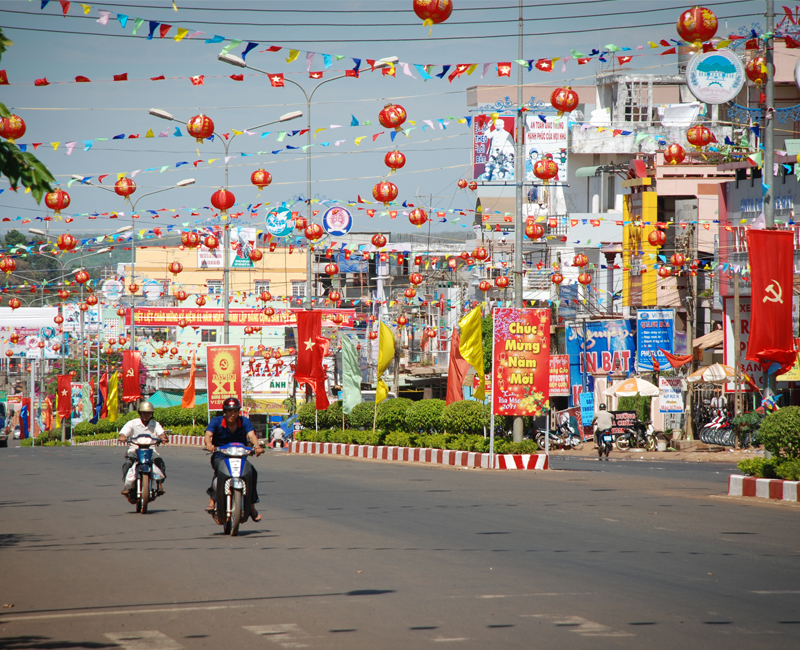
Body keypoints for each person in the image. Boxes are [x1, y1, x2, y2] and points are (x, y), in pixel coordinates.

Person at [204, 397, 264, 522]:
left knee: (252, 472)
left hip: (240, 457)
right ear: (224, 411)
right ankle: (212, 500)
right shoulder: (216, 421)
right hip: (221, 456)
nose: (233, 414)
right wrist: (209, 444)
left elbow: (252, 435)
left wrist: (256, 446)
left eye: (235, 411)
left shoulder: (244, 421)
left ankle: (252, 506)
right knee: (220, 471)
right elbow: (208, 435)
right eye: (230, 411)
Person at [118, 401, 168, 499]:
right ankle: (127, 485)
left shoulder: (155, 424)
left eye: (148, 413)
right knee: (128, 462)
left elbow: (161, 433)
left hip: (150, 449)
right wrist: (122, 437)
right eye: (144, 413)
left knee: (159, 461)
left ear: (151, 414)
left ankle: (159, 484)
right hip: (135, 449)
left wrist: (163, 437)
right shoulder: (132, 423)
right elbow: (123, 432)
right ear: (140, 413)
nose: (146, 415)